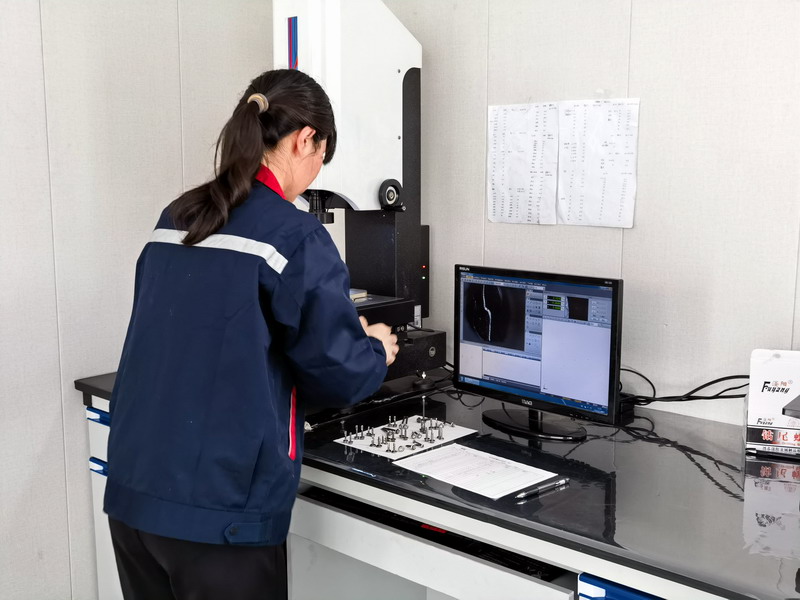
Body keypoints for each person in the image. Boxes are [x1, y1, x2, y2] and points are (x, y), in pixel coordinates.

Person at [104, 68, 399, 600]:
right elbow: (340, 373)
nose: (316, 173)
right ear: (305, 139)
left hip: (134, 495)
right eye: (322, 157)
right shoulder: (295, 235)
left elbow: (207, 328)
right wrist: (374, 346)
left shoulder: (178, 215)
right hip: (220, 514)